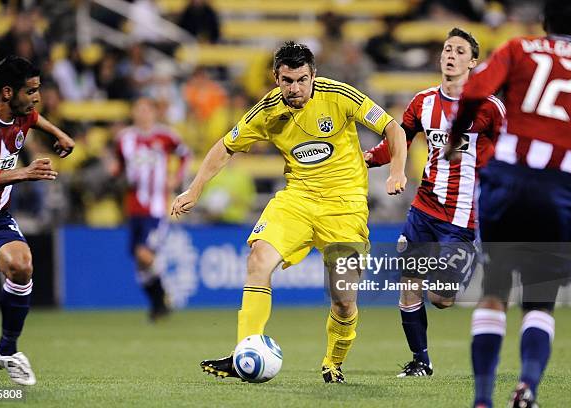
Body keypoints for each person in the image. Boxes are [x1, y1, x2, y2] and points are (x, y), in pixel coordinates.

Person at [171, 41, 408, 383]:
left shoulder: (340, 95)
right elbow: (225, 147)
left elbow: (393, 129)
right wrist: (194, 189)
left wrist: (397, 170)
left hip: (345, 206)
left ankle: (332, 362)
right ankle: (244, 351)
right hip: (297, 199)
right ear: (276, 78)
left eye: (301, 80)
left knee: (344, 299)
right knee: (258, 259)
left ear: (313, 76)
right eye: (286, 81)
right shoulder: (266, 110)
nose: (294, 88)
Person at [446, 1, 571, 406]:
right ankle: (528, 387)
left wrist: (454, 138)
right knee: (540, 298)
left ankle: (483, 399)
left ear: (545, 22)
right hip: (561, 187)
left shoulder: (520, 48)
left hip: (510, 179)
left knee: (495, 290)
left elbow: (476, 89)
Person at [364, 28, 504, 378]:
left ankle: (467, 257)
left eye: (459, 51)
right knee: (409, 282)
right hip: (423, 208)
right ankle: (421, 361)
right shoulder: (423, 101)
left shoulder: (489, 106)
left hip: (461, 216)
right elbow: (399, 142)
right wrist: (366, 158)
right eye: (446, 49)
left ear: (473, 62)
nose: (450, 55)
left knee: (442, 298)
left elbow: (511, 150)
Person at [0, 55, 75, 385]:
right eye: (32, 90)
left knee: (22, 264)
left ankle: (8, 350)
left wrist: (58, 132)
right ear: (8, 92)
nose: (37, 97)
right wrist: (24, 173)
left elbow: (35, 118)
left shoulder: (22, 113)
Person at [112, 97, 190, 321]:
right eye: (139, 110)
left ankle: (165, 294)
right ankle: (158, 305)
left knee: (144, 254)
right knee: (139, 262)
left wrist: (176, 178)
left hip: (156, 209)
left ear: (154, 113)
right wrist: (115, 172)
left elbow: (185, 155)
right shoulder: (124, 138)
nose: (143, 114)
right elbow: (119, 165)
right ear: (133, 113)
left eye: (147, 110)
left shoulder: (166, 136)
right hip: (133, 207)